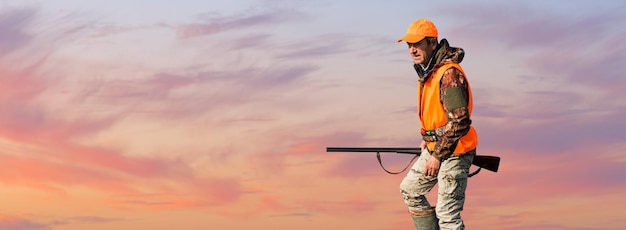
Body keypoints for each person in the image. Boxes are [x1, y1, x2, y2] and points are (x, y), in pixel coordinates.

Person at [397, 18, 478, 230]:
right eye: (409, 44)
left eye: (417, 43)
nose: (412, 49)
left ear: (433, 43)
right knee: (410, 190)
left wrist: (437, 155)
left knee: (447, 216)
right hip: (438, 146)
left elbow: (459, 121)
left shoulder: (448, 73)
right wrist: (429, 137)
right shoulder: (429, 71)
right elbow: (440, 116)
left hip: (455, 151)